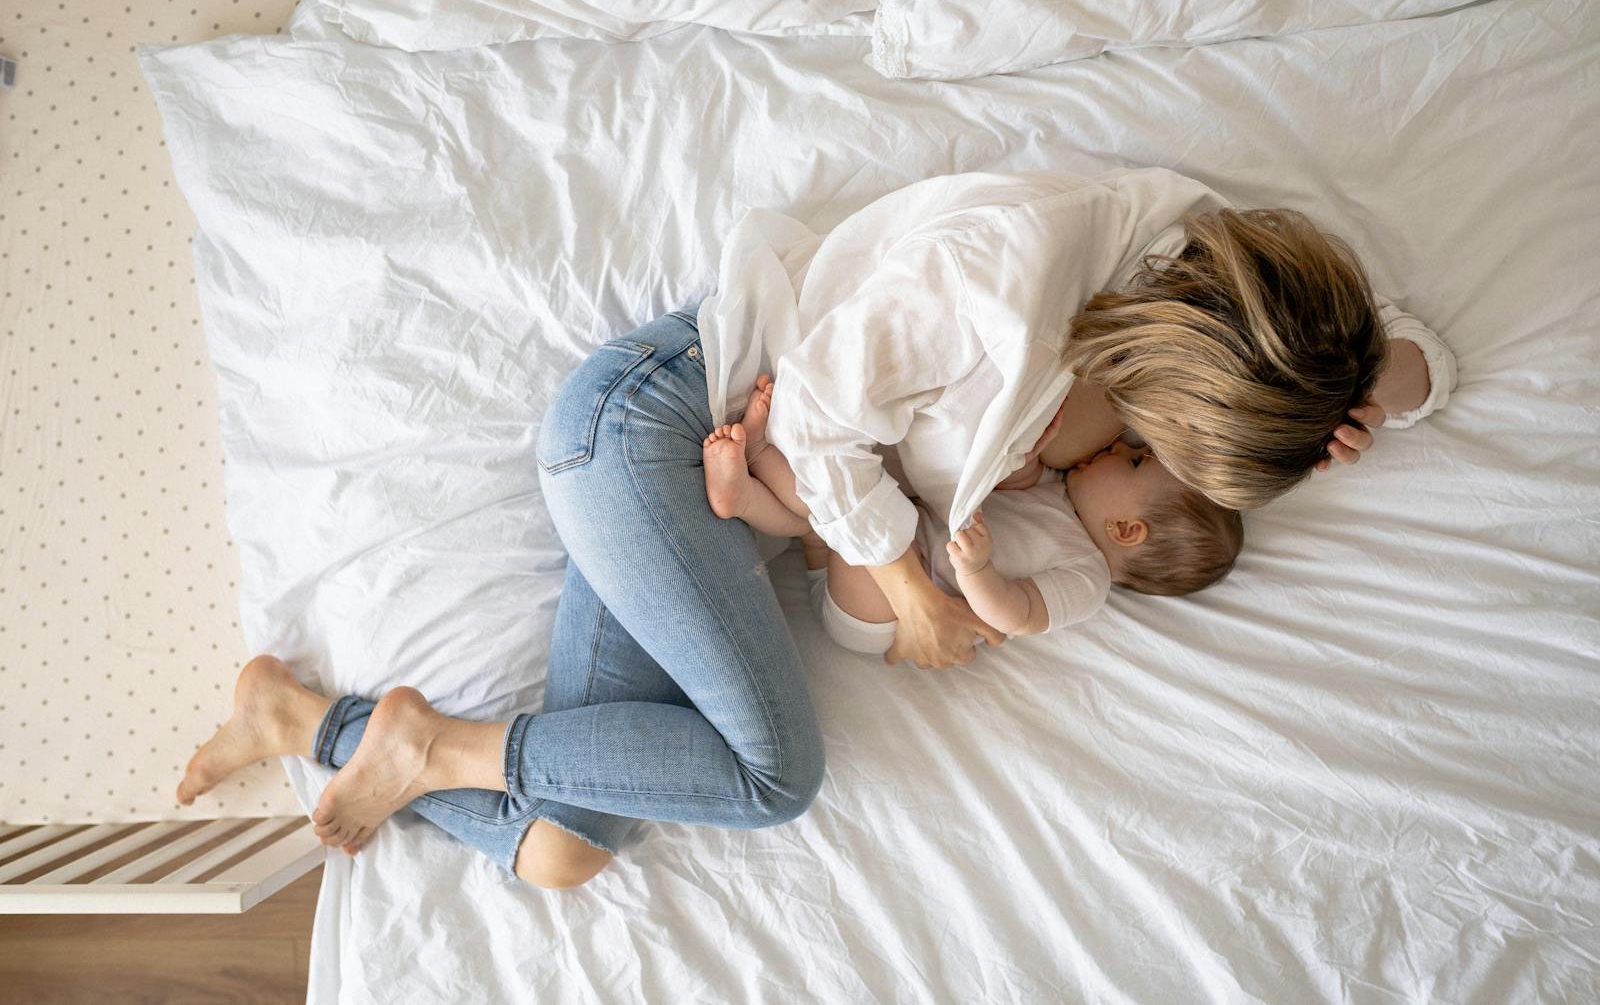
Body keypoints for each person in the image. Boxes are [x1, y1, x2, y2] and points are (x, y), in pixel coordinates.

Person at [174, 167, 1455, 889]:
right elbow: (827, 420)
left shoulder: (1224, 326)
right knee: (769, 778)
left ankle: (305, 720)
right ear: (1183, 370)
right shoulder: (1017, 274)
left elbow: (1424, 358)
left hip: (715, 500)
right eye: (1173, 442)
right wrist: (914, 596)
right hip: (659, 424)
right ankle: (423, 735)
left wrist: (1372, 388)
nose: (1151, 463)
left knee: (561, 850)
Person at [700, 377, 1243, 651]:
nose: (1115, 449)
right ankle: (745, 496)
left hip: (884, 617)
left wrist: (979, 571)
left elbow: (1017, 614)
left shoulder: (1087, 581)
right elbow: (1011, 489)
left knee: (849, 518)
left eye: (1131, 461)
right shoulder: (1062, 492)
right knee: (823, 524)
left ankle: (761, 457)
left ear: (1126, 529)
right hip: (894, 561)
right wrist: (1022, 464)